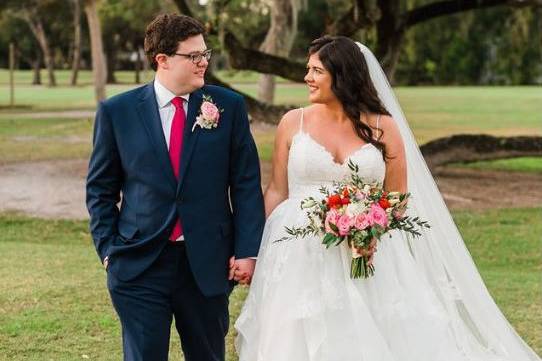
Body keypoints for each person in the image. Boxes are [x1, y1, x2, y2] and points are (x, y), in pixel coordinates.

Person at [234, 35, 541, 361]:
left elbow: (397, 197)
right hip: (299, 250)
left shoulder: (383, 126)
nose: (306, 78)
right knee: (296, 333)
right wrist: (252, 249)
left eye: (316, 71)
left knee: (375, 331)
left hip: (371, 249)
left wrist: (368, 228)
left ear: (342, 75)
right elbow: (278, 190)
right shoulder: (292, 122)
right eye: (308, 70)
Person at [86, 13, 264, 361]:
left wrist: (247, 250)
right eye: (193, 56)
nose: (203, 63)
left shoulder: (228, 107)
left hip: (207, 264)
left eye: (205, 54)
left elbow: (245, 184)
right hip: (138, 263)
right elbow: (101, 191)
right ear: (162, 60)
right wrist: (109, 252)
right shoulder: (117, 112)